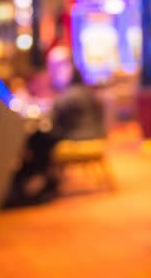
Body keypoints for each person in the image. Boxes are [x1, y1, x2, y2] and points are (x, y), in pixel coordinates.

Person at [8, 68, 106, 206]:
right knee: (43, 139)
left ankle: (38, 178)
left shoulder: (70, 95)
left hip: (78, 136)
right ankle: (45, 179)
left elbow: (53, 116)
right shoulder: (87, 91)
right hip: (95, 134)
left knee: (39, 140)